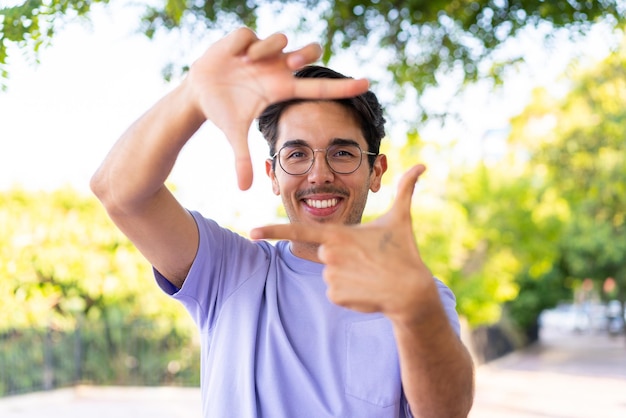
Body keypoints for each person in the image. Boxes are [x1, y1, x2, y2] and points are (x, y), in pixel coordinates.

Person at [91, 27, 475, 418]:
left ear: (376, 172)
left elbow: (447, 412)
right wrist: (192, 94)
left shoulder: (419, 295)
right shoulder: (228, 270)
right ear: (273, 175)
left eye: (342, 153)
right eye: (296, 155)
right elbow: (118, 192)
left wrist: (418, 309)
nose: (319, 174)